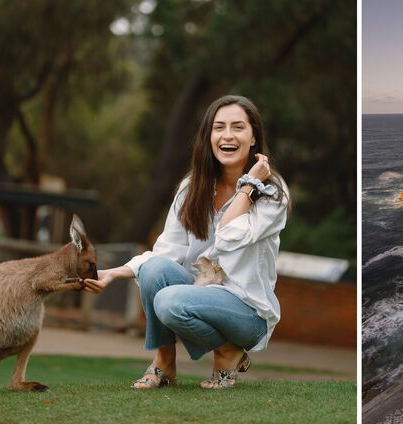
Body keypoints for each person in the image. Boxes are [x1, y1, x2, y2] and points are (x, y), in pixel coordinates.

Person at [83, 95, 289, 389]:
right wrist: (113, 273)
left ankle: (230, 350)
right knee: (154, 270)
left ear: (254, 136)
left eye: (238, 127)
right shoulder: (192, 188)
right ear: (209, 136)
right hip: (200, 292)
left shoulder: (272, 193)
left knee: (167, 302)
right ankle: (164, 363)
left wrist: (248, 186)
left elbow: (228, 237)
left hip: (248, 311)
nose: (227, 135)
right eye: (219, 127)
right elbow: (165, 253)